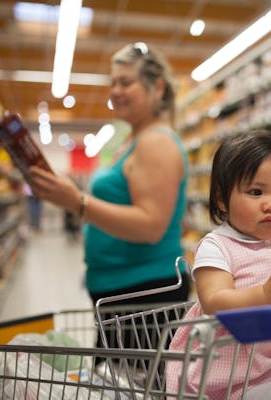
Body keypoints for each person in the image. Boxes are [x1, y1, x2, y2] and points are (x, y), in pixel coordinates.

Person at [29, 42, 190, 347]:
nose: (115, 90)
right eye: (113, 82)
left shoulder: (156, 142)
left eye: (125, 82)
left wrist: (75, 201)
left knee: (134, 390)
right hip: (122, 291)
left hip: (145, 293)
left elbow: (151, 225)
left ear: (156, 87)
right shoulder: (132, 140)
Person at [166, 130, 271, 400]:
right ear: (223, 199)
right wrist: (267, 294)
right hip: (242, 363)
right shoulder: (218, 246)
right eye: (256, 192)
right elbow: (214, 301)